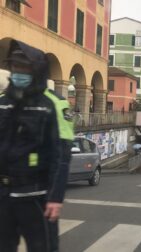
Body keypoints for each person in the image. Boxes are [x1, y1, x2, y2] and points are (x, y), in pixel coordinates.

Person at [0, 40, 72, 252]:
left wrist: (55, 198)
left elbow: (62, 155)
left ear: (37, 70)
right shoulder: (2, 101)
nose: (18, 72)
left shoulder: (55, 104)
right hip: (3, 196)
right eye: (15, 67)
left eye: (24, 68)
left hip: (36, 197)